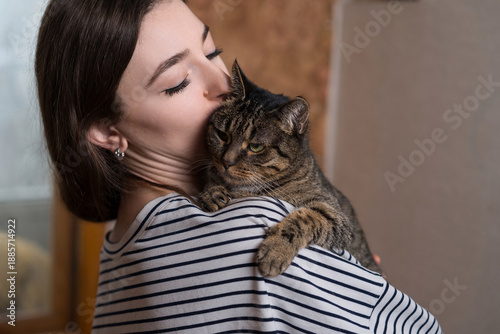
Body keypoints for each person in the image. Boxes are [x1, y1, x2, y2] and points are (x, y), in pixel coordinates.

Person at [35, 0, 443, 333]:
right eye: (178, 81)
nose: (222, 83)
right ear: (107, 132)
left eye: (213, 51)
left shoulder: (118, 244)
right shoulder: (250, 230)